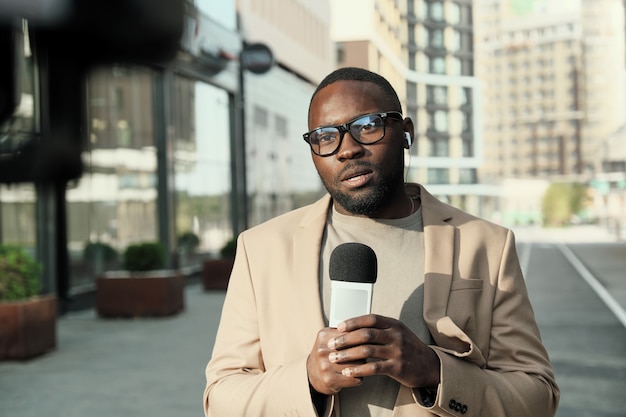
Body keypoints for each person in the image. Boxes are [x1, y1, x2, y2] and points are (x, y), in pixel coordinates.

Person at [203, 67, 559, 417]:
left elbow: (537, 397)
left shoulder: (487, 245)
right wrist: (309, 379)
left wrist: (433, 371)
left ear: (406, 133)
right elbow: (221, 398)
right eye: (326, 136)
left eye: (368, 126)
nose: (347, 150)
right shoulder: (261, 249)